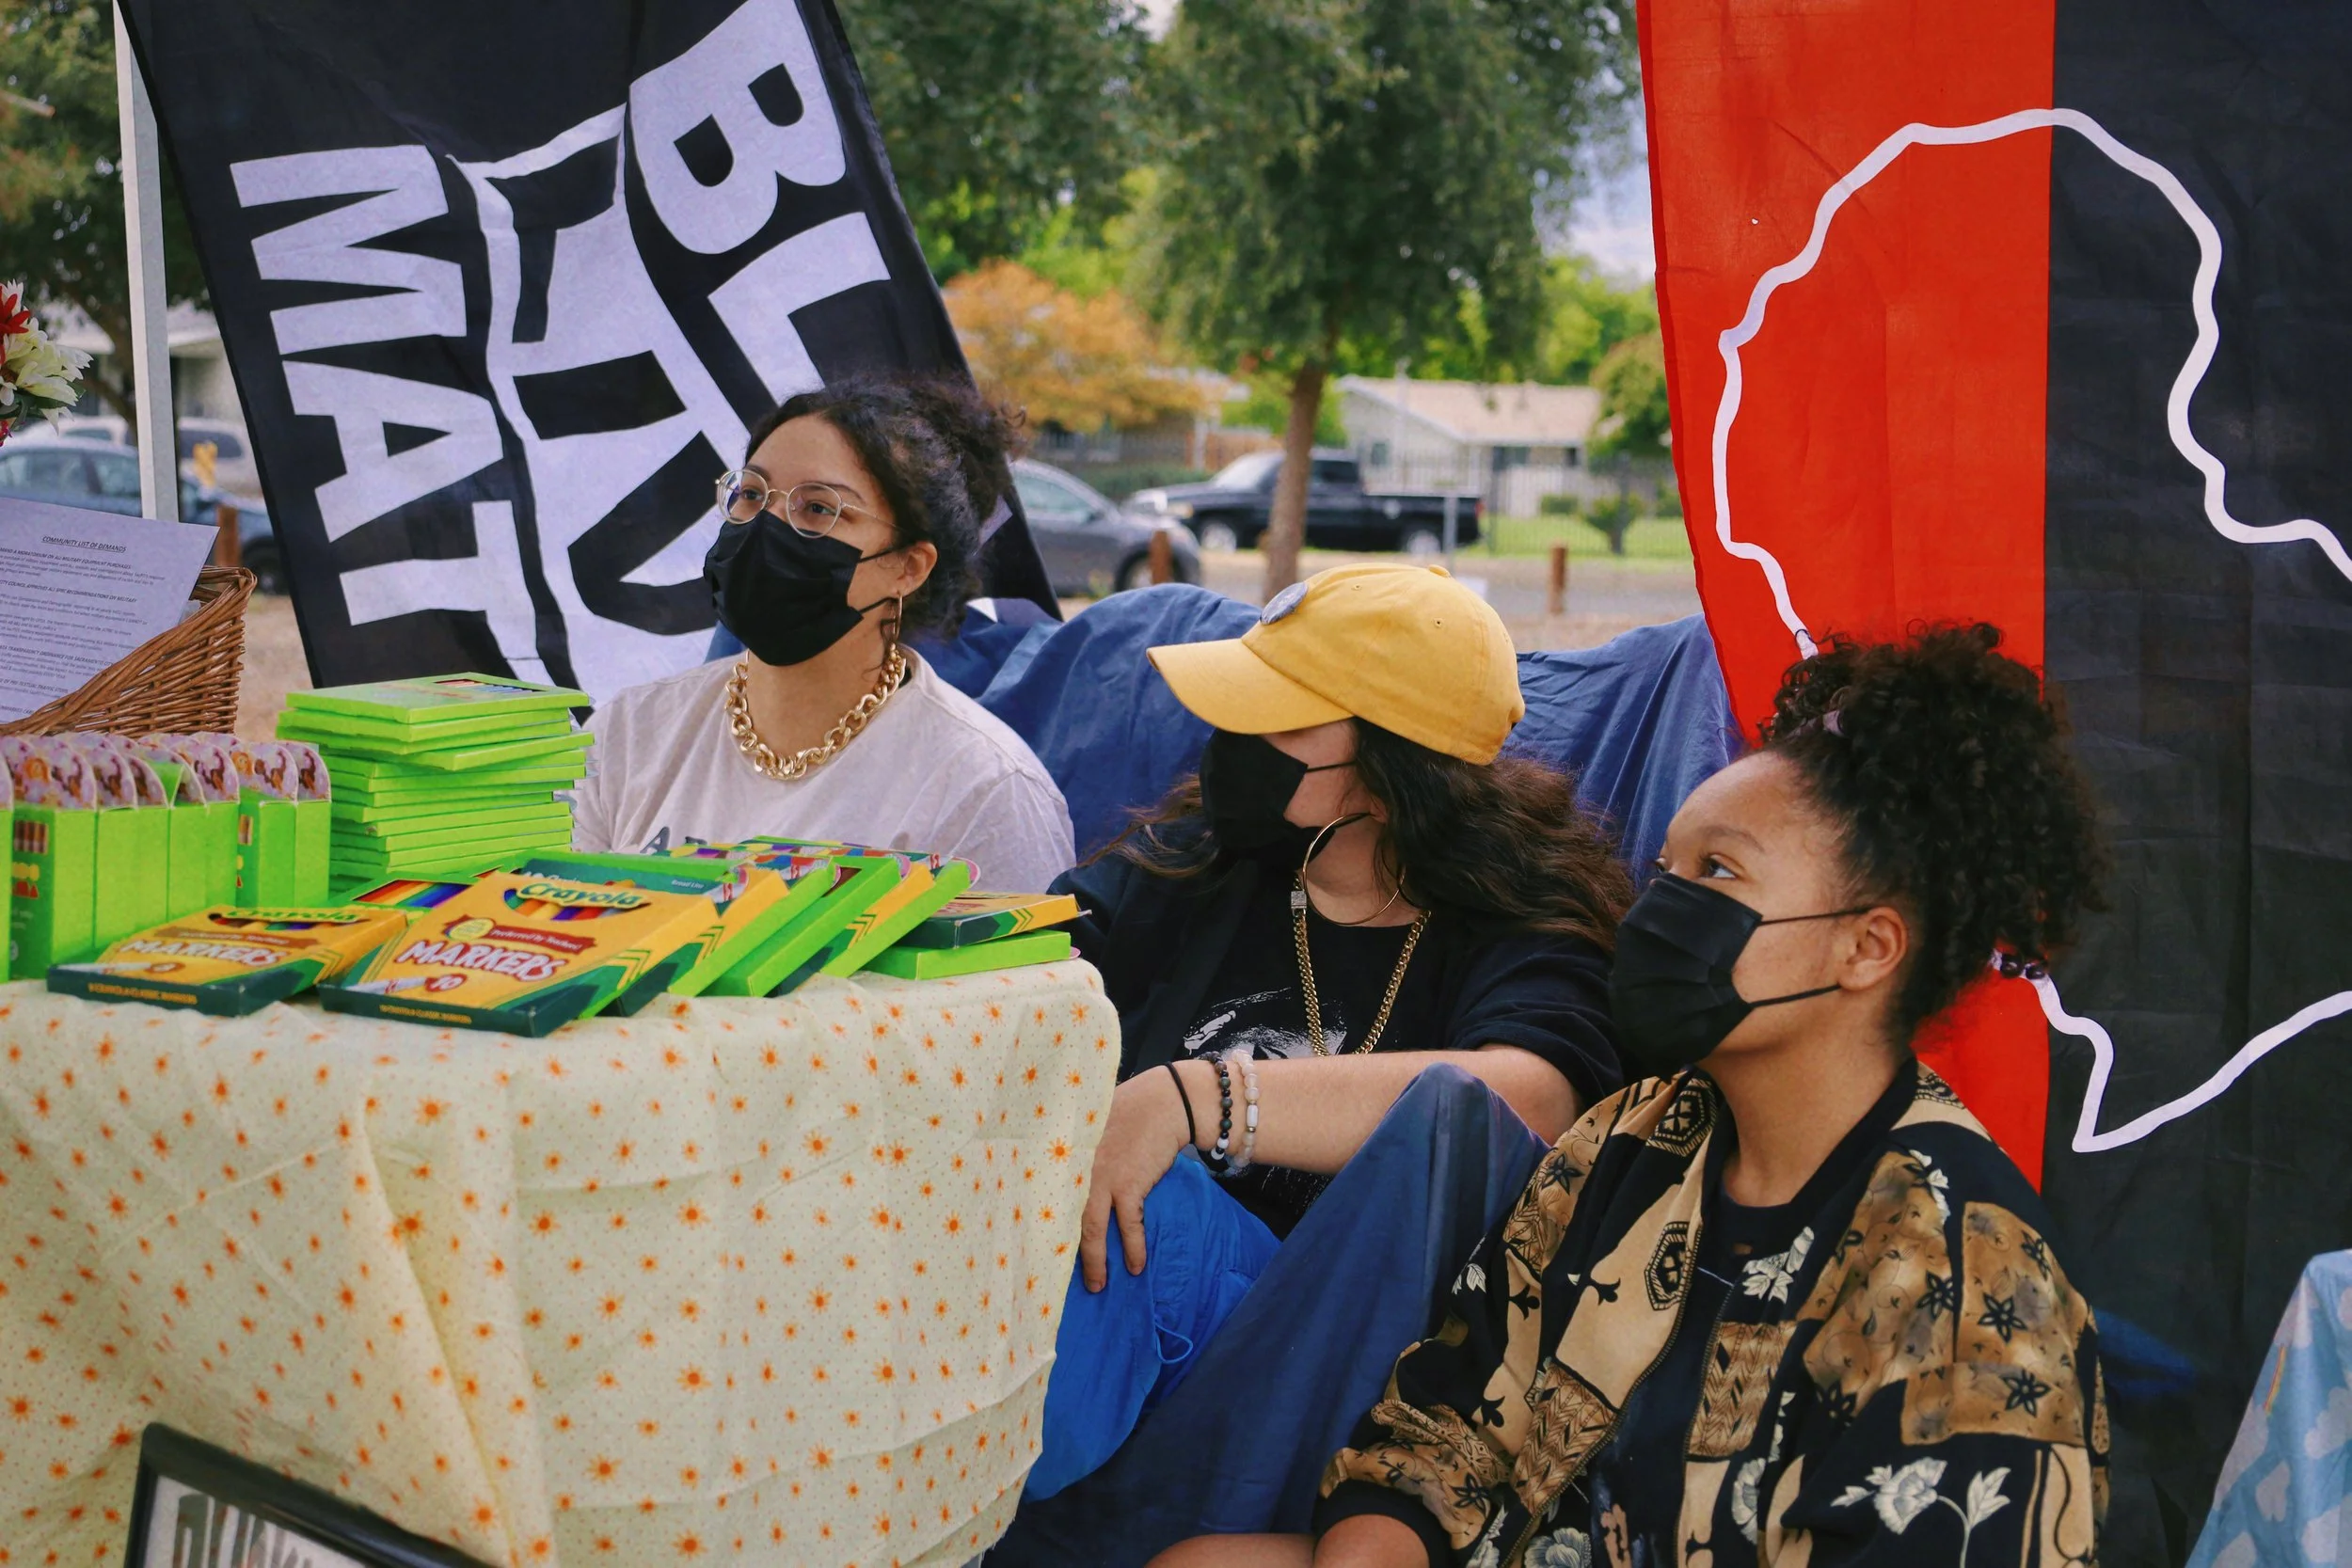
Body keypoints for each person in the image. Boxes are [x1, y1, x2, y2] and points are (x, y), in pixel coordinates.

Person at [1164, 622, 2112, 1568]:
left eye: (1718, 872)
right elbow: (1445, 1421)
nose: (1658, 910)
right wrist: (1371, 1551)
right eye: (1666, 869)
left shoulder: (1965, 1268)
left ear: (1866, 947)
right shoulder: (1629, 1140)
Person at [991, 563, 1629, 1561]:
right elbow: (1025, 974)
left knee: (1161, 1207)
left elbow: (1519, 1095)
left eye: (1277, 721)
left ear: (1394, 764)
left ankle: (937, 1495)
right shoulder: (1196, 866)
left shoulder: (1519, 924)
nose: (1232, 742)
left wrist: (1198, 1096)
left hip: (1339, 1348)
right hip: (1109, 1312)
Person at [569, 374, 1074, 891]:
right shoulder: (629, 733)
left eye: (818, 509)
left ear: (907, 567)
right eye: (751, 494)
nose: (765, 527)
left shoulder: (984, 790)